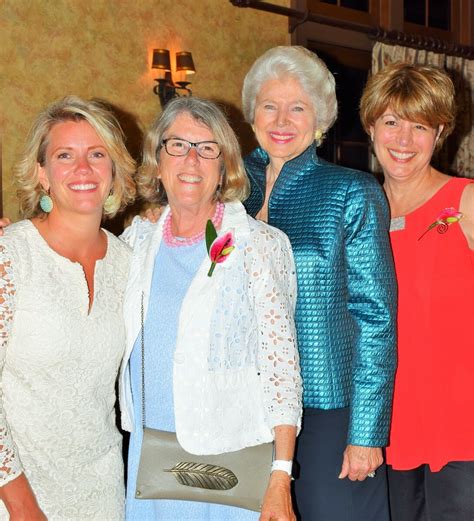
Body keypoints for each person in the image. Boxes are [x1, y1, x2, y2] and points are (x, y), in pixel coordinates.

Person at [118, 96, 302, 521]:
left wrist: (280, 474)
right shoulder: (136, 242)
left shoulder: (258, 245)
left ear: (224, 167)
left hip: (231, 463)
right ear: (157, 159)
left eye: (207, 148)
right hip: (152, 461)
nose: (191, 160)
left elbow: (281, 367)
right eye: (177, 145)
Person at [241, 46, 397, 521]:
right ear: (252, 116)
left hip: (327, 408)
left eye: (298, 107)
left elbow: (377, 318)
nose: (282, 119)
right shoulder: (225, 188)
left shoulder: (351, 192)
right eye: (270, 105)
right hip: (242, 406)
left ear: (320, 120)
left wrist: (366, 432)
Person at [0, 96, 136, 519]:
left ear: (114, 170)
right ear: (42, 173)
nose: (83, 169)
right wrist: (20, 504)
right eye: (65, 155)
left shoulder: (129, 263)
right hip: (18, 493)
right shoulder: (10, 256)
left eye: (97, 154)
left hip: (103, 490)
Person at [360, 62, 474, 521]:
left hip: (461, 423)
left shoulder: (464, 201)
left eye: (420, 126)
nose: (403, 140)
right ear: (371, 127)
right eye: (391, 122)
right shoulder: (358, 207)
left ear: (440, 131)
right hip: (385, 423)